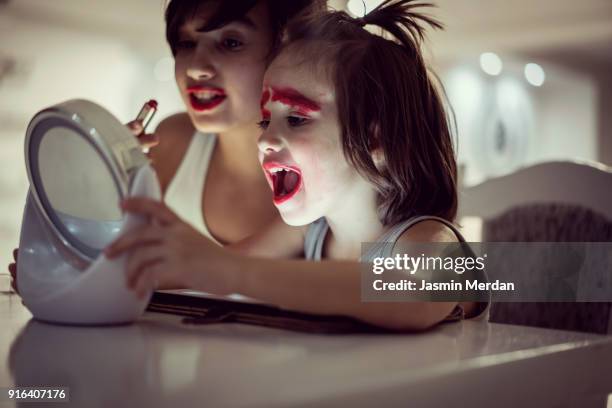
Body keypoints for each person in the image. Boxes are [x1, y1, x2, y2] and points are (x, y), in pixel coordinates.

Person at [105, 0, 489, 331]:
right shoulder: (308, 231)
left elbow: (410, 295)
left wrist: (227, 271)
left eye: (297, 119)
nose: (265, 139)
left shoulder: (430, 240)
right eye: (265, 121)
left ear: (375, 139)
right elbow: (193, 269)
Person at [8, 0, 324, 292]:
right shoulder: (172, 141)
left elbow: (375, 286)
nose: (196, 67)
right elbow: (120, 267)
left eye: (230, 42)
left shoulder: (338, 168)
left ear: (288, 45)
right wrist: (100, 187)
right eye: (186, 43)